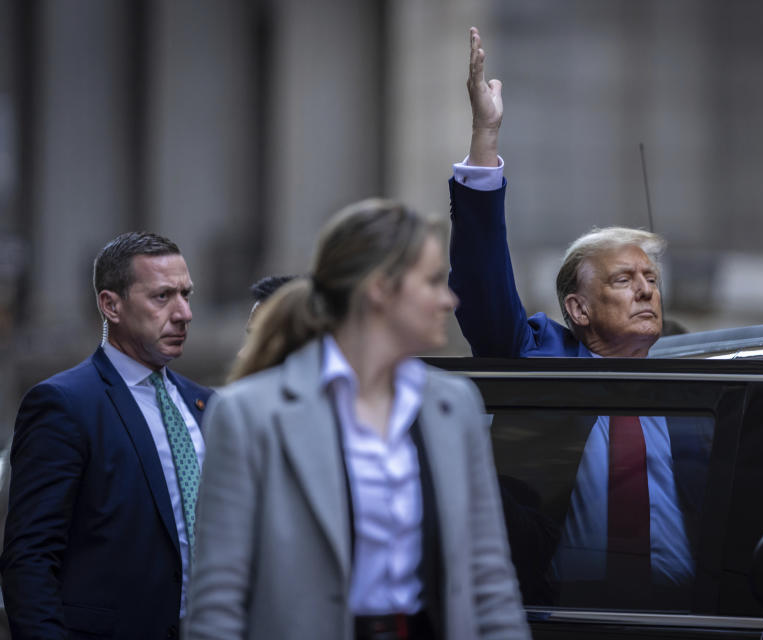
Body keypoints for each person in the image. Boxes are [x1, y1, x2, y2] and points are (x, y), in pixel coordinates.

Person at [184, 199, 529, 640]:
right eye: (432, 281)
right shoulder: (249, 414)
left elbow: (490, 582)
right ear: (379, 290)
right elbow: (218, 603)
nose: (449, 299)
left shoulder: (455, 405)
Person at [447, 27, 708, 603]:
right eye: (623, 280)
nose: (645, 291)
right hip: (562, 615)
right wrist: (485, 136)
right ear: (578, 309)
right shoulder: (539, 356)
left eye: (651, 280)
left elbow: (758, 493)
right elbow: (480, 281)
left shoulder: (702, 387)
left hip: (694, 619)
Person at [1, 232, 212, 639]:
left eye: (187, 294)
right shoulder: (63, 405)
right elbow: (29, 560)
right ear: (110, 305)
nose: (184, 312)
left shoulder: (207, 405)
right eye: (162, 297)